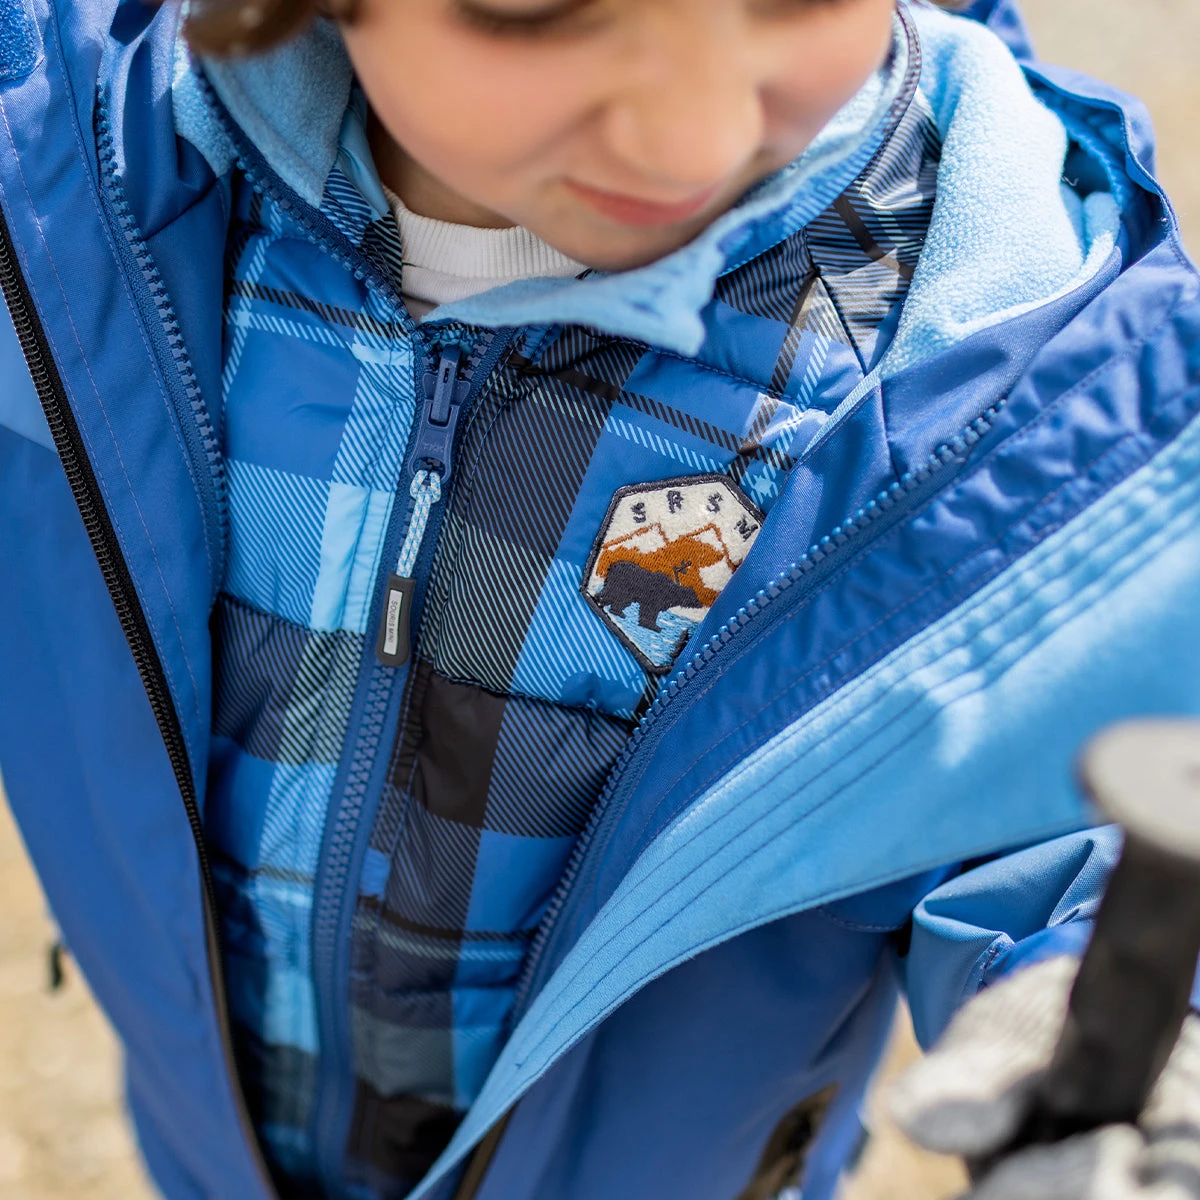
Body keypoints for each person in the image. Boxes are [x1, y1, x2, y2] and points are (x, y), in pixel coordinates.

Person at [0, 0, 1196, 1195]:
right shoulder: (77, 182)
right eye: (533, 12)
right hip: (216, 1132)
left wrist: (1119, 1011)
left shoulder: (997, 360)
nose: (692, 137)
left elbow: (1079, 795)